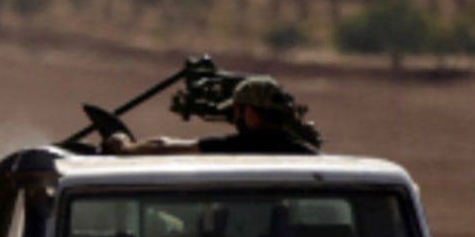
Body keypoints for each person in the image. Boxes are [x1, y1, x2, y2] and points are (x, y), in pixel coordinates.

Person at [105, 75, 323, 156]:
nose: (235, 119)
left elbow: (165, 146)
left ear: (251, 114)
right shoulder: (307, 155)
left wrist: (125, 148)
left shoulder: (239, 149)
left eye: (237, 111)